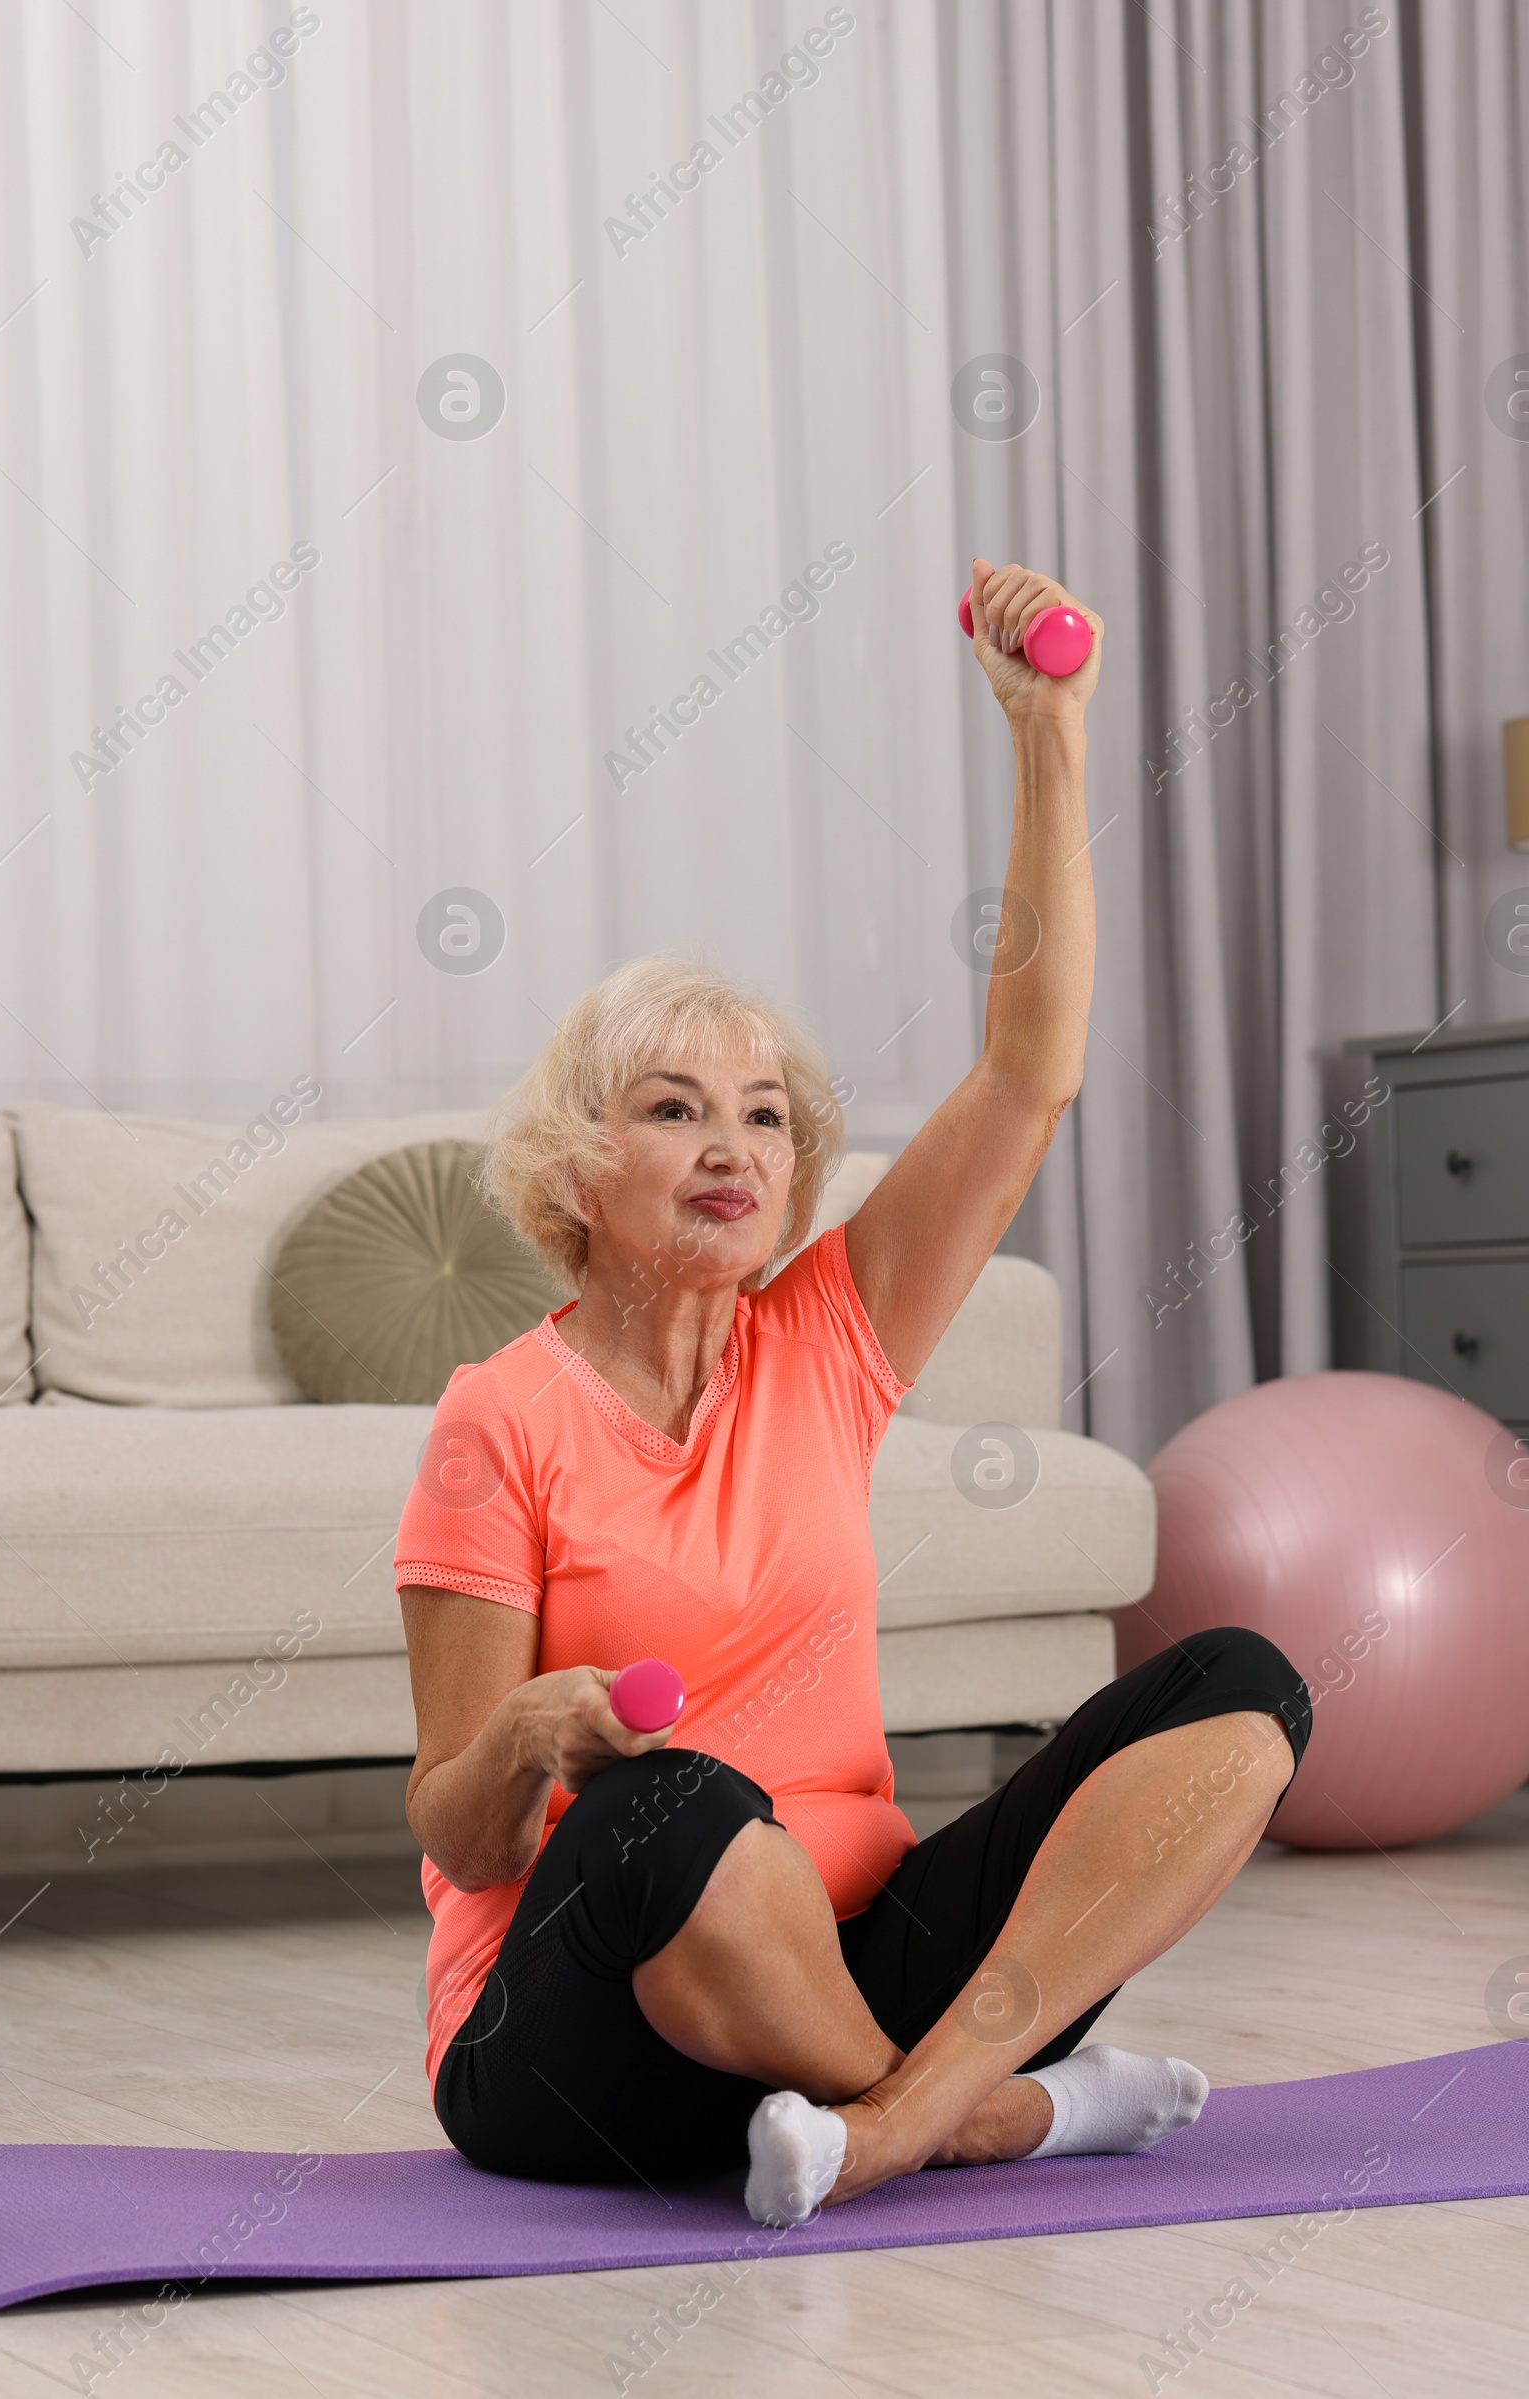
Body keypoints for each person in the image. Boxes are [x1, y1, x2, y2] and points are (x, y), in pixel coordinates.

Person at [395, 560, 1310, 2226]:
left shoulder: (823, 1333)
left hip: (870, 1959)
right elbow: (460, 1837)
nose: (734, 1147)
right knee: (666, 1807)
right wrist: (532, 1729)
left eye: (765, 1116)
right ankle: (988, 2115)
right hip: (588, 2038)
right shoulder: (499, 1418)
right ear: (578, 1170)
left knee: (1238, 1688)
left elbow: (1028, 1072)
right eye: (676, 1109)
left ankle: (884, 2127)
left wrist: (1049, 736)